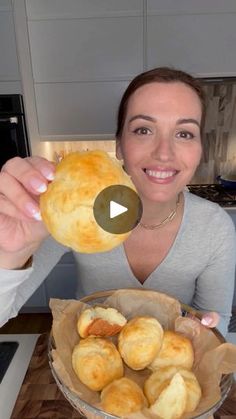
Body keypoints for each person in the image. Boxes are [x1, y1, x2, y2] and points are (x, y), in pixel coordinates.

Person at [0, 67, 235, 336]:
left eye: (184, 133)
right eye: (144, 130)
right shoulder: (77, 212)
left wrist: (207, 334)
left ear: (199, 150)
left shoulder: (214, 227)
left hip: (170, 373)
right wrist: (9, 255)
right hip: (87, 368)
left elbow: (218, 324)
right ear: (120, 145)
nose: (164, 153)